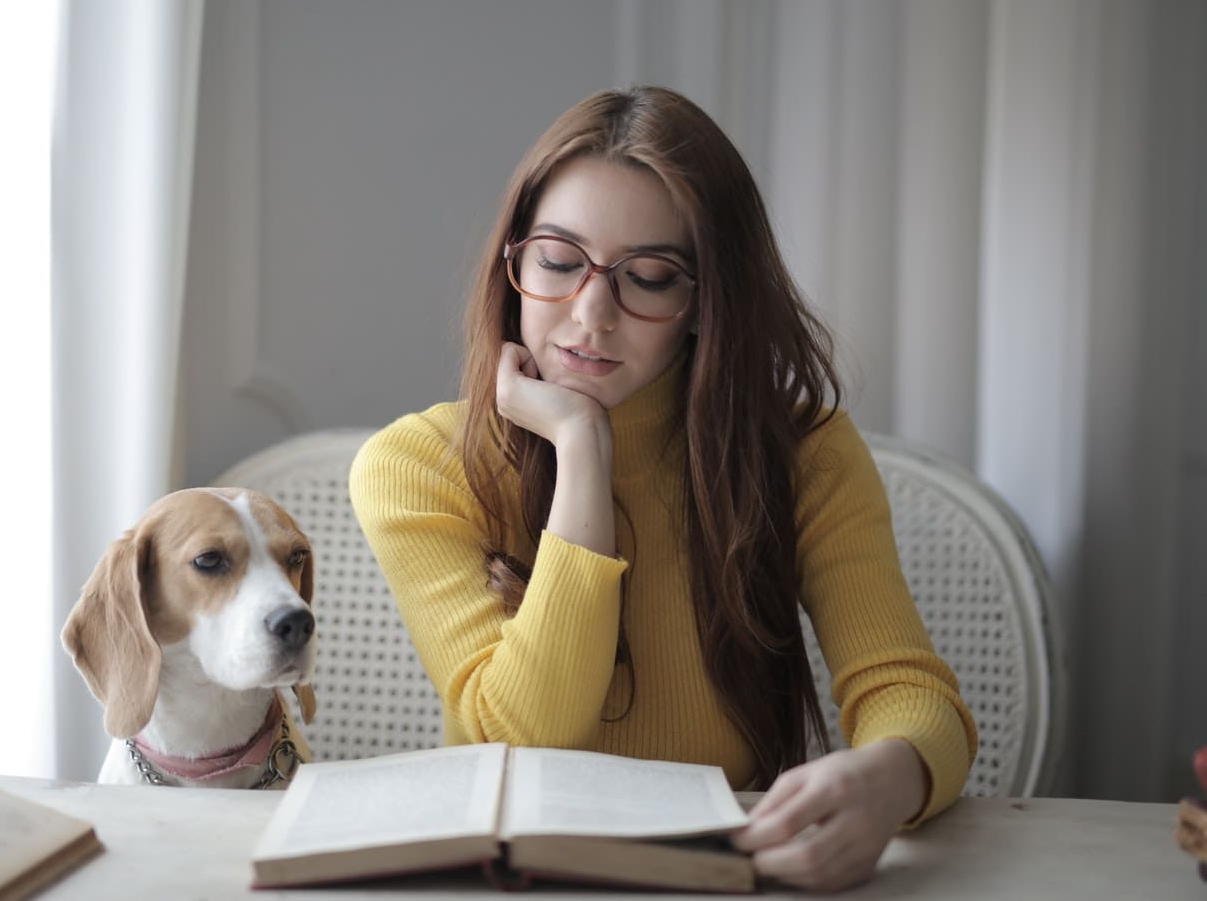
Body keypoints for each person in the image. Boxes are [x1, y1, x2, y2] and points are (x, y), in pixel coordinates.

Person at [350, 85, 976, 891]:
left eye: (648, 276)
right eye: (558, 260)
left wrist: (889, 780)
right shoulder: (418, 465)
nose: (591, 312)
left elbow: (908, 689)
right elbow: (518, 735)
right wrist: (581, 446)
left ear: (704, 300)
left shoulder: (803, 455)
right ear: (514, 264)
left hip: (725, 875)